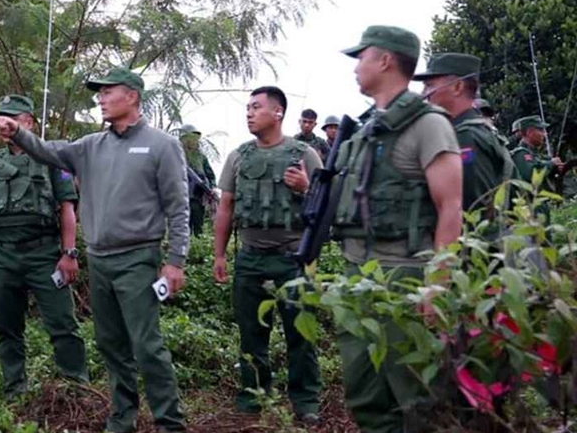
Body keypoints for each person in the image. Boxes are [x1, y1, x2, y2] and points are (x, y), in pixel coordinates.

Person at [0, 66, 188, 433]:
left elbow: (178, 207)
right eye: (100, 93)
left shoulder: (161, 145)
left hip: (138, 258)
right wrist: (18, 131)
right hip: (99, 258)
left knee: (146, 344)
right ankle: (121, 418)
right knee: (111, 344)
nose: (101, 98)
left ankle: (169, 422)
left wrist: (175, 261)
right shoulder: (91, 146)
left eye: (108, 92)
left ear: (132, 95)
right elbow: (46, 151)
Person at [333, 26, 463, 433]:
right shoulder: (368, 128)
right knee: (364, 391)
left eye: (362, 57)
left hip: (406, 274)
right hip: (359, 274)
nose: (356, 67)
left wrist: (437, 285)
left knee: (416, 394)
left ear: (385, 60)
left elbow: (451, 206)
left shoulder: (429, 125)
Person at [0, 94, 88, 397]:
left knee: (62, 324)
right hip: (2, 255)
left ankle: (76, 388)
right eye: (1, 118)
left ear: (29, 122)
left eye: (12, 118)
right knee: (7, 327)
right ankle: (14, 389)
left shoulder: (52, 161)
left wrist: (69, 253)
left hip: (44, 254)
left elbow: (67, 208)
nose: (4, 124)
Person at [211, 86, 322, 423]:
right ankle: (253, 397)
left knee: (300, 333)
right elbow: (225, 207)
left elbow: (326, 206)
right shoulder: (238, 156)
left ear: (278, 113)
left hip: (293, 258)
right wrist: (219, 255)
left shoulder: (305, 154)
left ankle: (305, 402)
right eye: (247, 107)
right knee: (250, 331)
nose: (249, 112)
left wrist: (307, 188)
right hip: (249, 258)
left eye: (256, 107)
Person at [414, 53, 516, 213]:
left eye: (429, 85)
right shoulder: (475, 130)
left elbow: (474, 211)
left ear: (457, 87)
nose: (423, 94)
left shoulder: (465, 137)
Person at [511, 116, 565, 223]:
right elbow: (532, 175)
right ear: (530, 132)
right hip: (530, 207)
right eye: (540, 130)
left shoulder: (535, 155)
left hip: (540, 205)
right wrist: (551, 164)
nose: (544, 134)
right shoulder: (521, 154)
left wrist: (555, 169)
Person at [178, 124, 216, 237]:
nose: (193, 141)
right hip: (181, 198)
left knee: (198, 228)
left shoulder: (201, 157)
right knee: (183, 229)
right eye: (190, 138)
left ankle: (198, 248)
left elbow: (210, 175)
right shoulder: (177, 155)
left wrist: (212, 188)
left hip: (198, 197)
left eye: (195, 138)